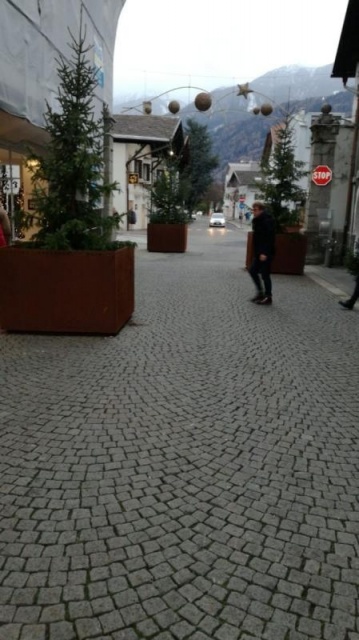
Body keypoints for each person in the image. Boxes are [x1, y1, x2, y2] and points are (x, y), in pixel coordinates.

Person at [248, 201, 276, 305]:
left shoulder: (267, 220)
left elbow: (269, 238)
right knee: (253, 271)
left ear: (261, 210)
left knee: (265, 274)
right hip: (259, 252)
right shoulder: (257, 220)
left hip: (265, 253)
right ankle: (260, 293)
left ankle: (268, 297)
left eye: (255, 210)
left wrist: (264, 252)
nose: (253, 212)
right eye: (253, 210)